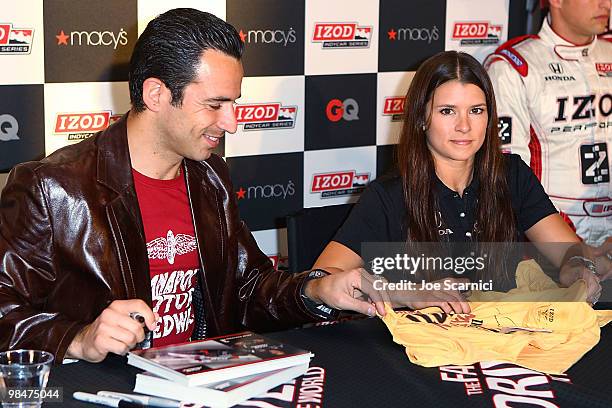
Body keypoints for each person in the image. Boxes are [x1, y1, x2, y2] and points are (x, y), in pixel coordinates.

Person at [0, 9, 384, 364]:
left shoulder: (210, 175)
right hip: (103, 387)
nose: (232, 123)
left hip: (205, 382)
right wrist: (80, 338)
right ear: (156, 94)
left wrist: (317, 291)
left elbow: (249, 289)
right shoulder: (52, 187)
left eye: (233, 103)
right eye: (215, 104)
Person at [313, 51, 610, 314]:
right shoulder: (389, 195)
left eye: (476, 111)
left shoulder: (512, 174)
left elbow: (568, 251)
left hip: (506, 340)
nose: (464, 125)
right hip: (420, 352)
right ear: (421, 118)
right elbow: (323, 279)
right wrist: (405, 293)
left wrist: (578, 268)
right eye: (447, 111)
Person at [483, 0, 611, 246]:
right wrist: (566, 248)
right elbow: (509, 173)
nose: (606, 4)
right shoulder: (514, 66)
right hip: (549, 239)